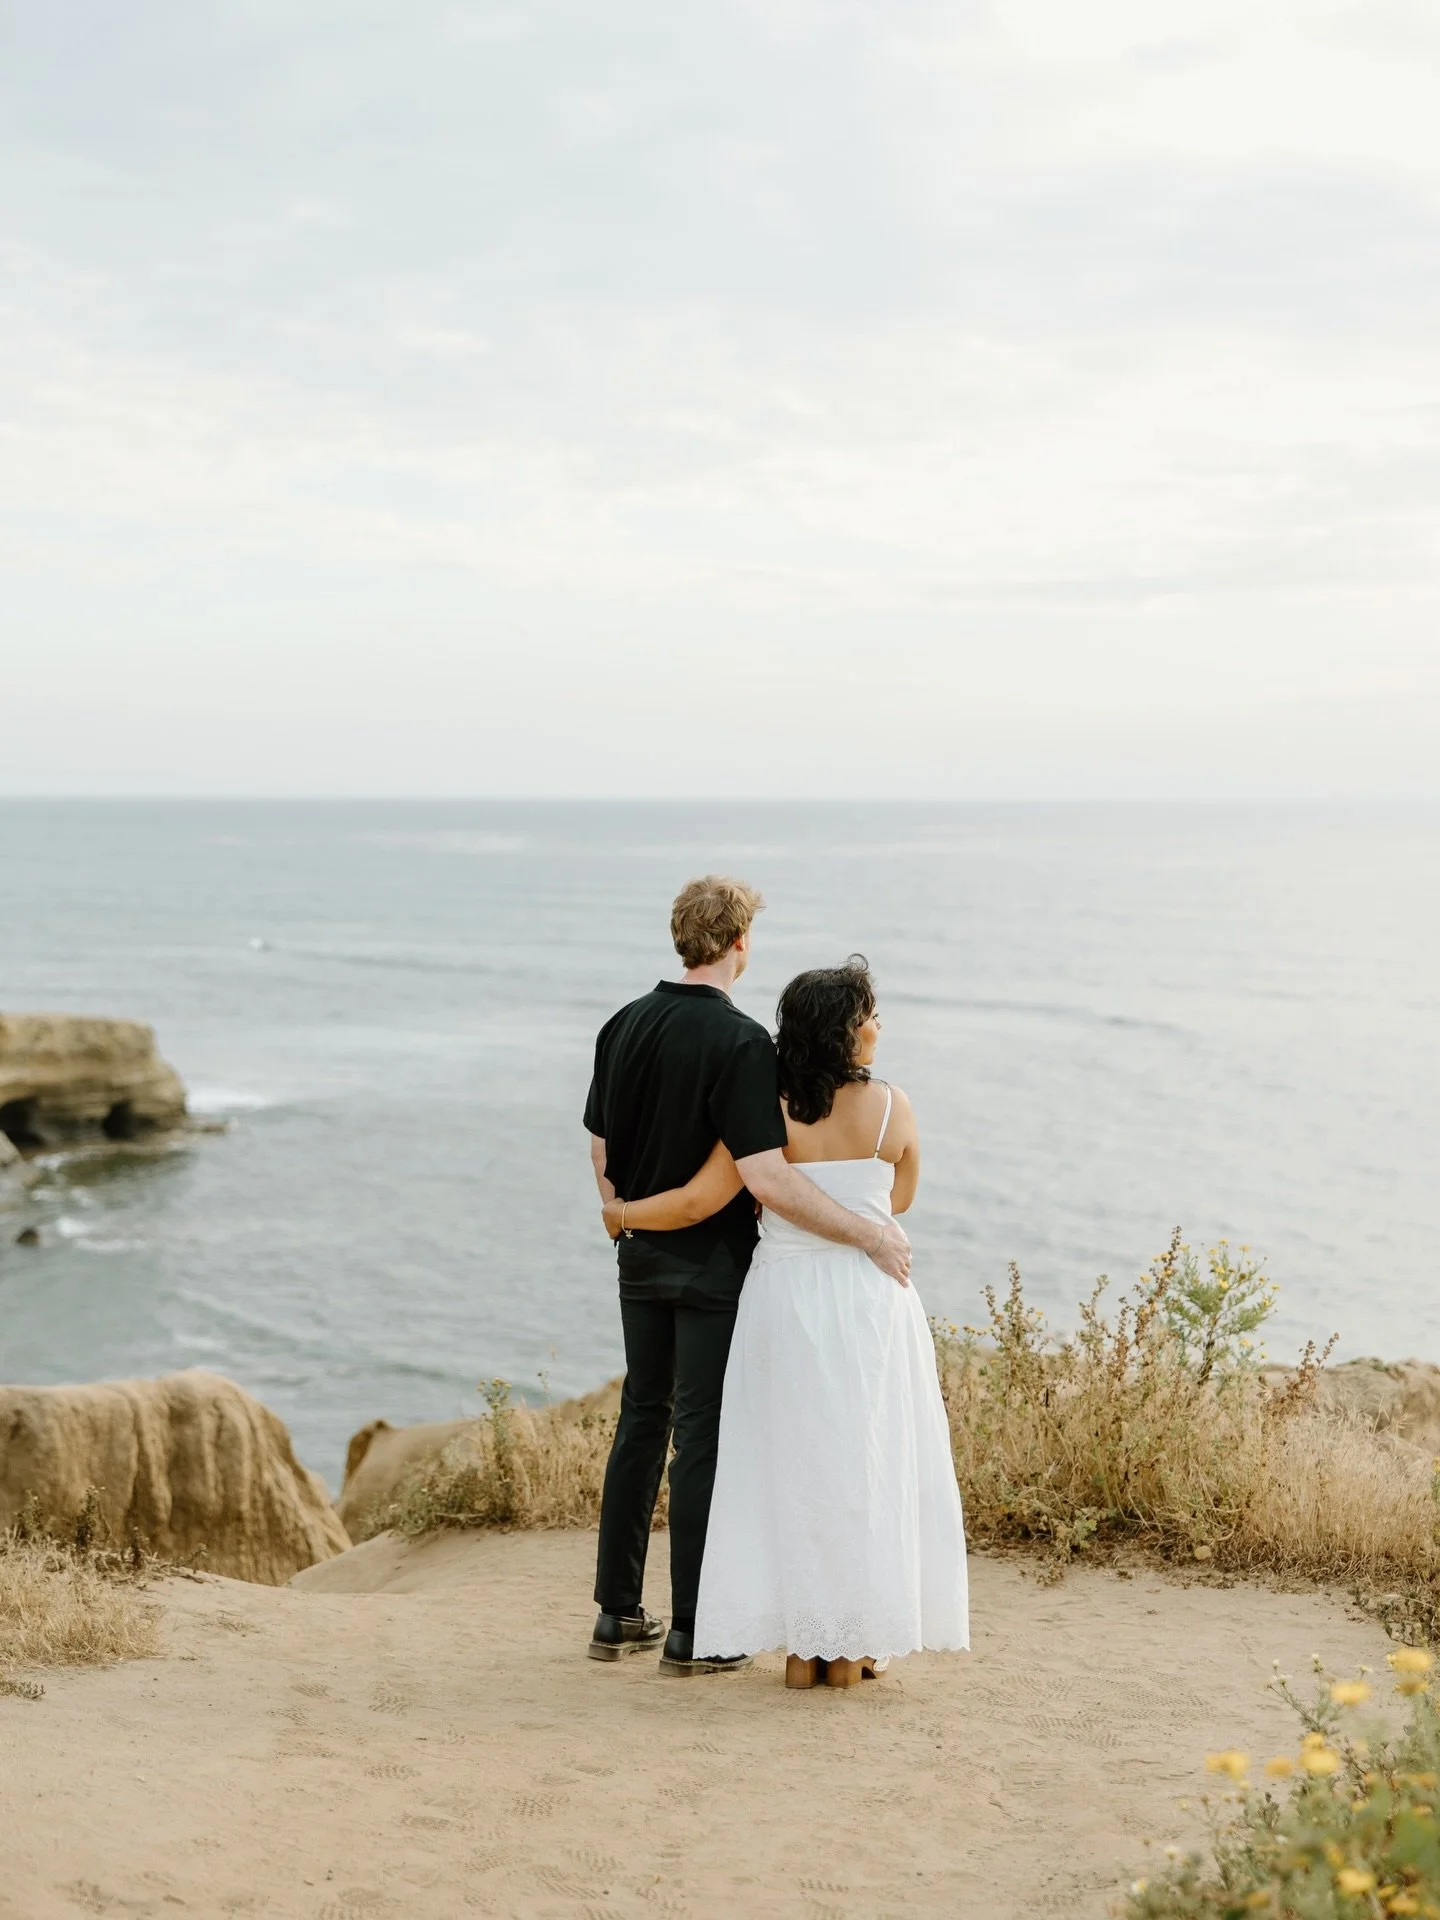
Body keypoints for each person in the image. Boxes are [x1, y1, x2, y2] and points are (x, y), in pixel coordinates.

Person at [602, 956, 968, 1689]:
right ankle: (856, 1643)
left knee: (793, 1468)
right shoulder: (895, 1105)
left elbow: (706, 1196)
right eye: (869, 1013)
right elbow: (898, 1200)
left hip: (785, 1300)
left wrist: (622, 1213)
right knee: (867, 1461)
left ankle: (804, 1649)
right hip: (870, 1297)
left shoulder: (763, 1109)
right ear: (846, 1030)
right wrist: (854, 1222)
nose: (878, 1025)